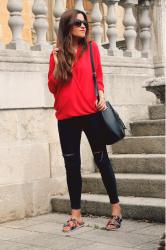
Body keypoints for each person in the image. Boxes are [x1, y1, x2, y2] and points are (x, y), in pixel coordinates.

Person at [48, 9, 122, 232]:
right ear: (67, 26)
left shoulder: (91, 48)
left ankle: (116, 210)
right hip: (66, 117)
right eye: (78, 23)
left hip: (91, 113)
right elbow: (53, 87)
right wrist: (57, 61)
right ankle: (76, 216)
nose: (83, 26)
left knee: (102, 161)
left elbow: (98, 75)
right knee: (72, 166)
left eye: (85, 23)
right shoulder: (57, 52)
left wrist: (101, 92)